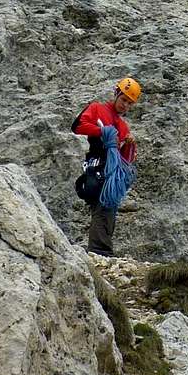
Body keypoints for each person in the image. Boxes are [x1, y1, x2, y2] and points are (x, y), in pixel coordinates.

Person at [73, 76, 140, 256]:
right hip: (95, 164)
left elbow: (125, 159)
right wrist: (103, 131)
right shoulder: (96, 109)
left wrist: (128, 144)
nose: (125, 105)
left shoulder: (123, 127)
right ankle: (99, 250)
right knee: (102, 204)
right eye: (124, 99)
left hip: (109, 170)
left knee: (109, 206)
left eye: (130, 103)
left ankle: (101, 249)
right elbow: (79, 126)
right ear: (116, 94)